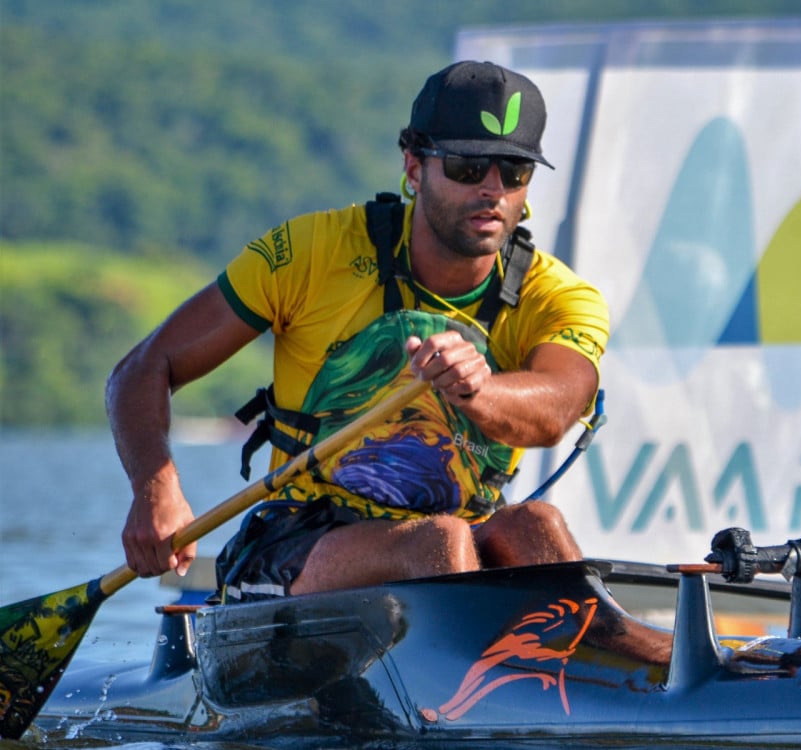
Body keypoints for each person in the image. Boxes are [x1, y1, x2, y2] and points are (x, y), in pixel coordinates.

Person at [108, 61, 609, 604]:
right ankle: (491, 675)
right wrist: (155, 490)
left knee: (535, 524)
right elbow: (142, 369)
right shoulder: (310, 253)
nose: (493, 190)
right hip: (298, 537)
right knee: (437, 541)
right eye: (468, 166)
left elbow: (560, 405)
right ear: (414, 168)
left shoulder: (559, 296)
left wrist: (480, 390)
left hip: (460, 541)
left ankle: (634, 669)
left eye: (514, 171)